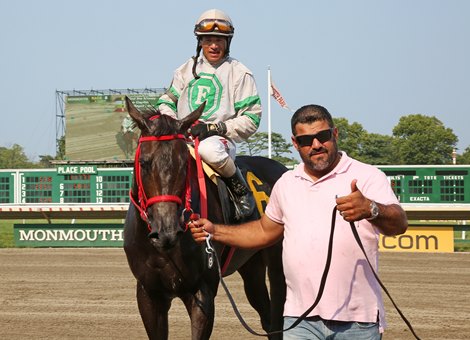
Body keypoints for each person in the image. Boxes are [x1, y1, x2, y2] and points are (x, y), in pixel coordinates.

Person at [190, 104, 408, 339]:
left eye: (322, 137)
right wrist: (215, 230)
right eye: (306, 140)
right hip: (299, 321)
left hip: (357, 322)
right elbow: (264, 232)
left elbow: (399, 224)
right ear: (296, 144)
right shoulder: (286, 183)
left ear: (334, 135)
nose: (316, 145)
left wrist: (372, 209)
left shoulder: (367, 176)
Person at [156, 8, 261, 220]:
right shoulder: (186, 69)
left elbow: (252, 118)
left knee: (209, 150)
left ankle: (241, 192)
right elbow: (166, 101)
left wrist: (216, 128)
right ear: (200, 41)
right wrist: (176, 124)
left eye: (220, 40)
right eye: (208, 40)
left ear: (228, 42)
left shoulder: (240, 73)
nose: (214, 45)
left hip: (218, 139)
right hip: (184, 137)